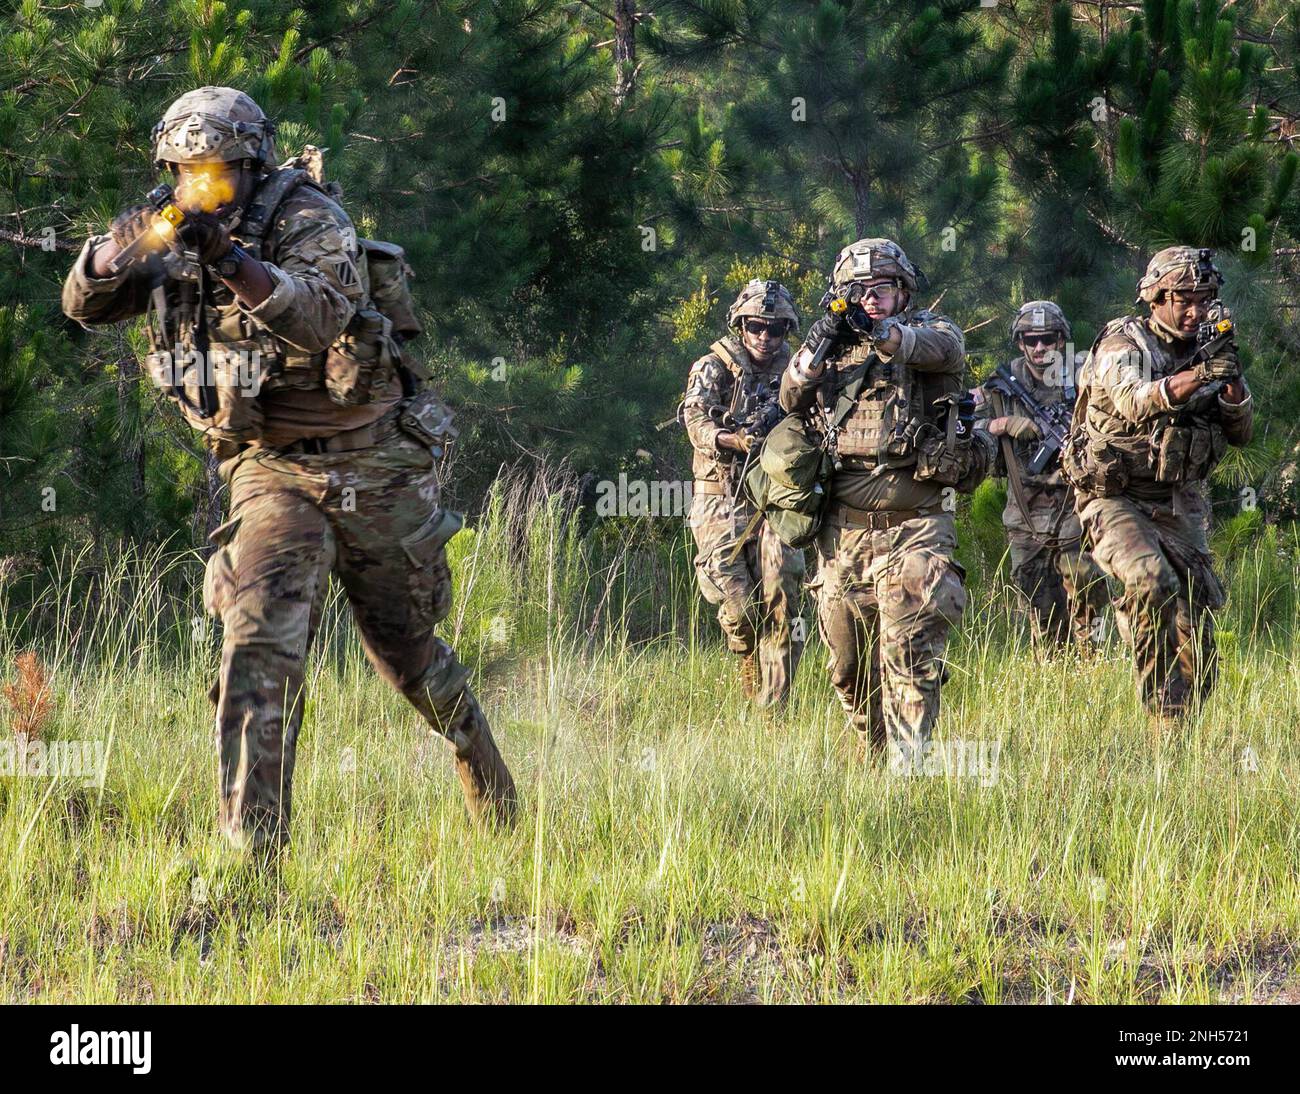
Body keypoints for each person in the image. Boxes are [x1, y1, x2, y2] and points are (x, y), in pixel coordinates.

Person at [62, 86, 516, 854]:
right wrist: (123, 248)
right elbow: (83, 304)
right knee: (258, 644)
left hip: (373, 463)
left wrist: (229, 257)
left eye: (216, 170)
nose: (199, 182)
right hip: (269, 468)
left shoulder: (309, 219)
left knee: (405, 659)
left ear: (251, 163)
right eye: (183, 170)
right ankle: (253, 861)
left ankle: (485, 777)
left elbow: (317, 317)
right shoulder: (167, 224)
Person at [779, 239, 993, 766]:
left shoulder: (931, 334)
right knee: (848, 668)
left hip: (916, 526)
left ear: (903, 292)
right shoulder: (832, 352)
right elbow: (790, 396)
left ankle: (909, 771)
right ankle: (872, 753)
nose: (871, 299)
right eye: (859, 292)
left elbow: (941, 352)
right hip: (844, 533)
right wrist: (820, 341)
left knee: (909, 652)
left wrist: (882, 333)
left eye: (882, 289)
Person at [1064, 246, 1252, 724]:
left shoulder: (1207, 347)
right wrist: (1197, 376)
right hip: (1115, 497)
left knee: (1199, 638)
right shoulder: (1122, 344)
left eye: (1204, 299)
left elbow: (1241, 433)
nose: (1194, 311)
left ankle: (1174, 737)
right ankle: (1159, 708)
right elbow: (1133, 400)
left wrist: (1229, 381)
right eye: (1182, 299)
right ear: (1156, 297)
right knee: (1150, 582)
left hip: (1177, 501)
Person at [683, 280, 806, 706]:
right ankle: (747, 658)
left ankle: (775, 706)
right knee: (737, 602)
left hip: (776, 497)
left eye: (775, 329)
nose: (765, 337)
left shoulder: (799, 369)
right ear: (741, 325)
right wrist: (731, 439)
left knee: (783, 596)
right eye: (756, 326)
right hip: (722, 495)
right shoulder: (714, 367)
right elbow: (694, 420)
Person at [975, 300, 1108, 648]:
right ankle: (1050, 672)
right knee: (1038, 600)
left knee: (1086, 586)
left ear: (1061, 340)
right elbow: (962, 425)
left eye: (1047, 339)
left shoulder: (1083, 379)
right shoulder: (1002, 383)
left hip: (1075, 504)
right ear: (1020, 342)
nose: (1039, 348)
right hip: (1025, 511)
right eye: (1030, 340)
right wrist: (1001, 423)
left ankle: (1092, 666)